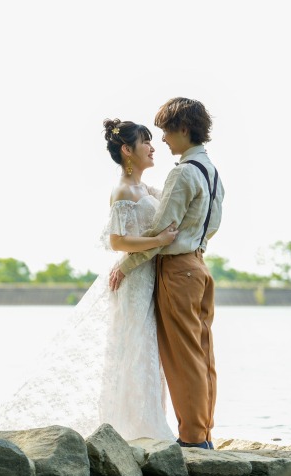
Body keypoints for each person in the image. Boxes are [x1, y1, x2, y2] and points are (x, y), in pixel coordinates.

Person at [0, 118, 177, 441]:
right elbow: (117, 241)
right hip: (132, 281)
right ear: (128, 150)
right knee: (132, 347)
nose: (153, 148)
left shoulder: (144, 188)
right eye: (145, 142)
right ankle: (130, 427)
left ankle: (143, 422)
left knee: (144, 348)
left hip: (146, 278)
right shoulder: (123, 190)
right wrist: (160, 241)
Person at [109, 97, 224, 450]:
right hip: (200, 266)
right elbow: (212, 224)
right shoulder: (211, 172)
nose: (162, 140)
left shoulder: (182, 172)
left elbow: (162, 230)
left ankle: (191, 439)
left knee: (183, 357)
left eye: (166, 131)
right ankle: (203, 433)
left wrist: (124, 265)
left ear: (184, 130)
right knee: (203, 354)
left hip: (177, 270)